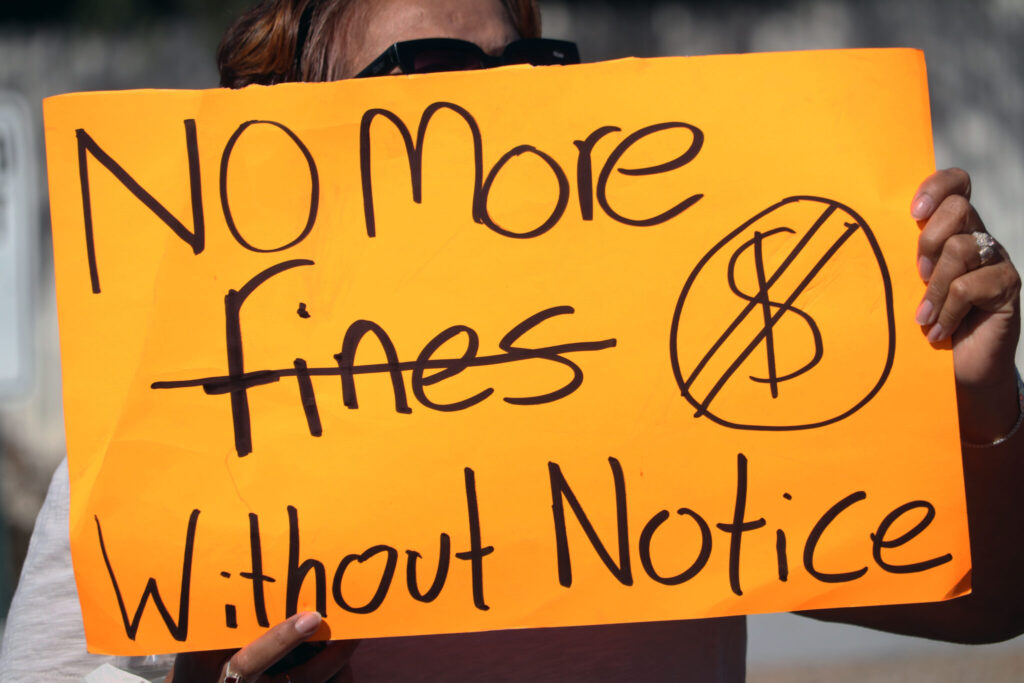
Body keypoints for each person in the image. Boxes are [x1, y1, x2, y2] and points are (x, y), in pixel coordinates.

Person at [2, 0, 1021, 681]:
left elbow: (990, 606)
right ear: (295, 123)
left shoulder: (673, 378)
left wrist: (978, 399)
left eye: (525, 63)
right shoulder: (174, 424)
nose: (491, 98)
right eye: (425, 66)